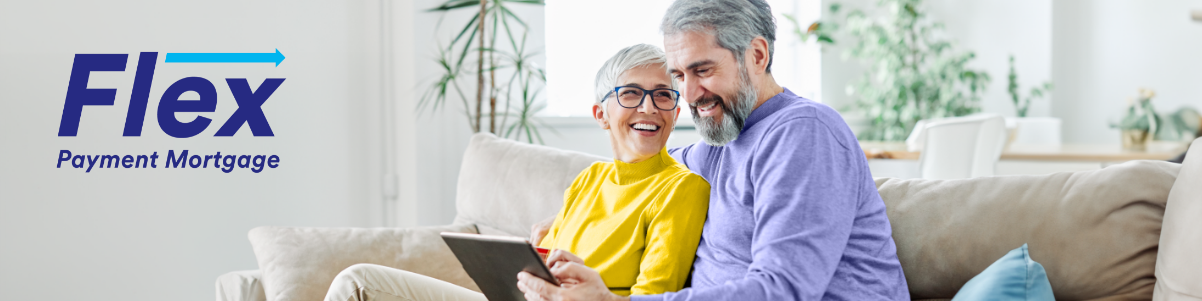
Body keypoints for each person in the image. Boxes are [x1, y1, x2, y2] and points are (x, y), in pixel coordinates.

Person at [517, 0, 910, 300]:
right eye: (678, 75)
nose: (687, 94)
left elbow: (784, 289)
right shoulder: (717, 145)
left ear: (757, 55)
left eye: (702, 70)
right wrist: (566, 218)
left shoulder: (804, 134)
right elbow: (636, 177)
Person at [322, 44, 710, 301]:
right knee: (356, 281)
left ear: (676, 113)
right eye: (630, 93)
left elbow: (656, 297)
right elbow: (543, 266)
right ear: (601, 115)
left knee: (359, 282)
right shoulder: (591, 179)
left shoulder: (682, 188)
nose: (648, 108)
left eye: (663, 95)